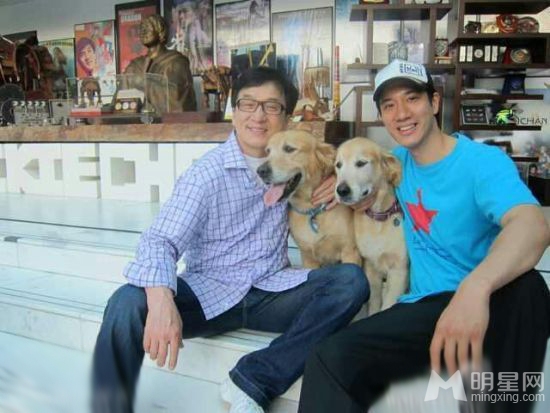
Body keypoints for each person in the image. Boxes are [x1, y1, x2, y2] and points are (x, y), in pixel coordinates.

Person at [91, 66, 369, 413]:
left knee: (349, 282)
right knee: (126, 301)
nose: (258, 116)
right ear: (233, 112)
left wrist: (334, 182)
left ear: (286, 117)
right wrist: (161, 300)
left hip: (270, 291)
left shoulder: (296, 164)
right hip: (209, 294)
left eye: (271, 106)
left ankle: (254, 377)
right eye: (248, 104)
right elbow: (159, 240)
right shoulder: (206, 175)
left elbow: (342, 165)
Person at [298, 59, 550, 413]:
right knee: (328, 357)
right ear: (382, 117)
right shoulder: (391, 164)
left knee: (530, 287)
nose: (401, 113)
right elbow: (354, 179)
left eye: (412, 98)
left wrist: (475, 288)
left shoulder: (482, 162)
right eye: (389, 105)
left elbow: (532, 224)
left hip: (483, 304)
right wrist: (333, 185)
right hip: (422, 311)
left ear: (434, 102)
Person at [124, 14, 196, 113]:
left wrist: (143, 84)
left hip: (168, 121)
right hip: (137, 121)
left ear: (161, 32)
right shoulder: (134, 66)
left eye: (148, 27)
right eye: (141, 28)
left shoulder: (175, 62)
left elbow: (177, 98)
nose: (143, 31)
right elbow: (120, 101)